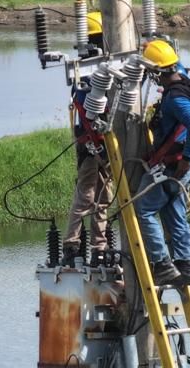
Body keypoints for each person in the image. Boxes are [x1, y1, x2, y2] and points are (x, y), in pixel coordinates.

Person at [134, 38, 190, 287]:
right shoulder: (183, 81)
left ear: (157, 72)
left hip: (174, 166)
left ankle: (162, 264)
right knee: (174, 213)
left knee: (145, 209)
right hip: (178, 165)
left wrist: (185, 159)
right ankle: (186, 267)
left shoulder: (176, 98)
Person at [64, 73, 112, 263]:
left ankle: (98, 247)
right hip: (91, 148)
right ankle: (71, 245)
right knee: (86, 197)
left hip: (104, 149)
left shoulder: (93, 85)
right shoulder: (88, 87)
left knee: (103, 198)